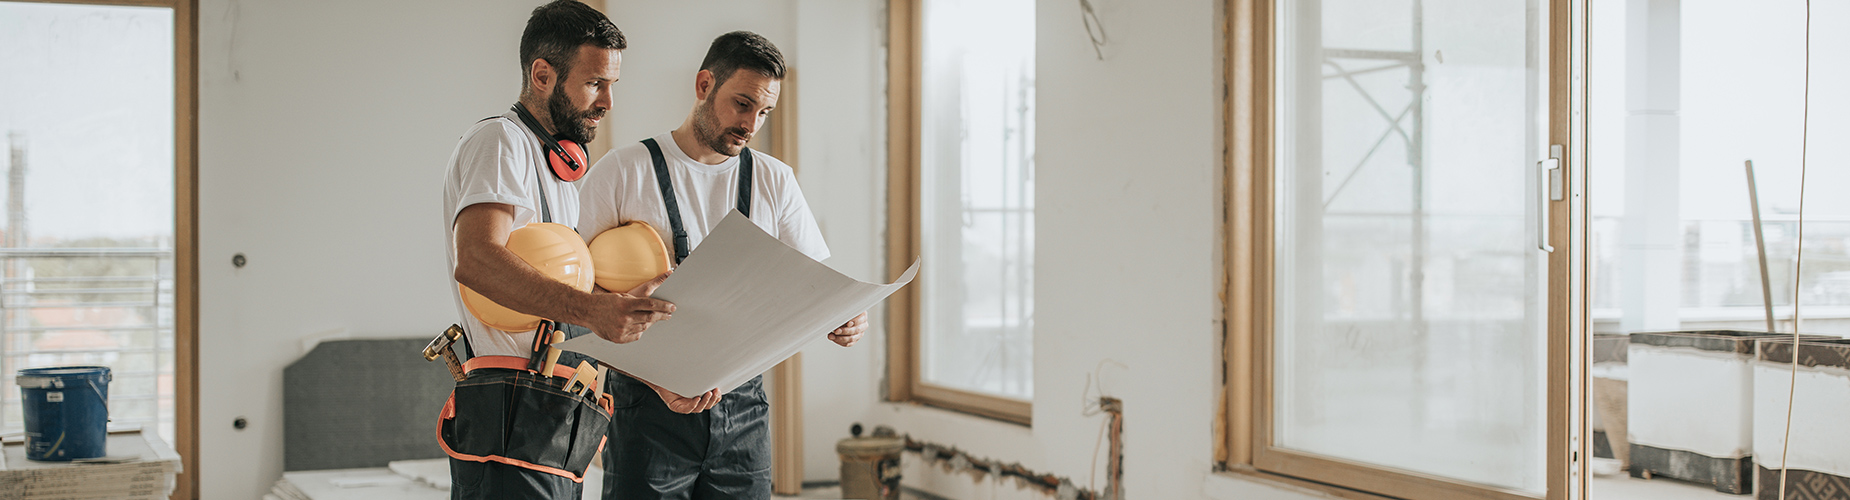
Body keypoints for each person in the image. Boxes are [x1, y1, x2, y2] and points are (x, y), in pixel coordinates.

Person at [437, 2, 720, 498]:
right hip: (511, 413)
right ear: (542, 75)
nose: (608, 101)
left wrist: (657, 380)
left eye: (613, 84)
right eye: (595, 83)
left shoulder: (563, 173)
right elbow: (477, 259)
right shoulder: (500, 141)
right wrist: (594, 305)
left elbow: (568, 317)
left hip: (559, 417)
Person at [575, 31, 869, 500]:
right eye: (742, 104)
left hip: (744, 410)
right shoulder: (622, 171)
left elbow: (815, 285)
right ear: (704, 84)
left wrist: (845, 316)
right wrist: (656, 374)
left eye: (764, 112)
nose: (752, 123)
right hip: (646, 409)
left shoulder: (775, 179)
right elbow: (574, 299)